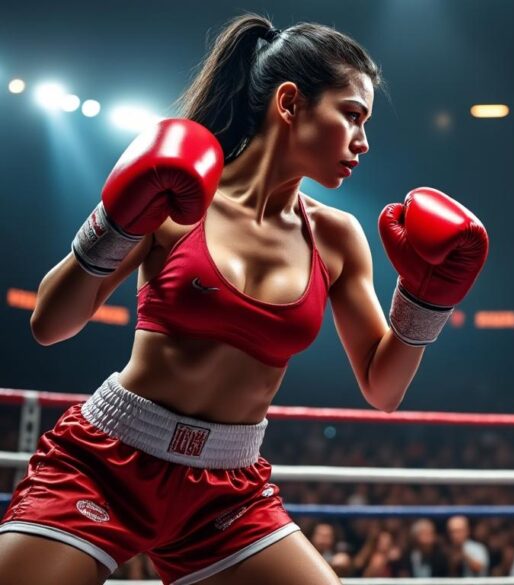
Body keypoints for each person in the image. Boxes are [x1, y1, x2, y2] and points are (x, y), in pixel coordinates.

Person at [0, 13, 487, 585]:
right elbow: (49, 322)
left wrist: (426, 300)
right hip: (110, 461)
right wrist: (117, 219)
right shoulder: (178, 198)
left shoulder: (336, 238)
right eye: (351, 115)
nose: (364, 140)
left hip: (227, 490)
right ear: (290, 103)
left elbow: (383, 388)